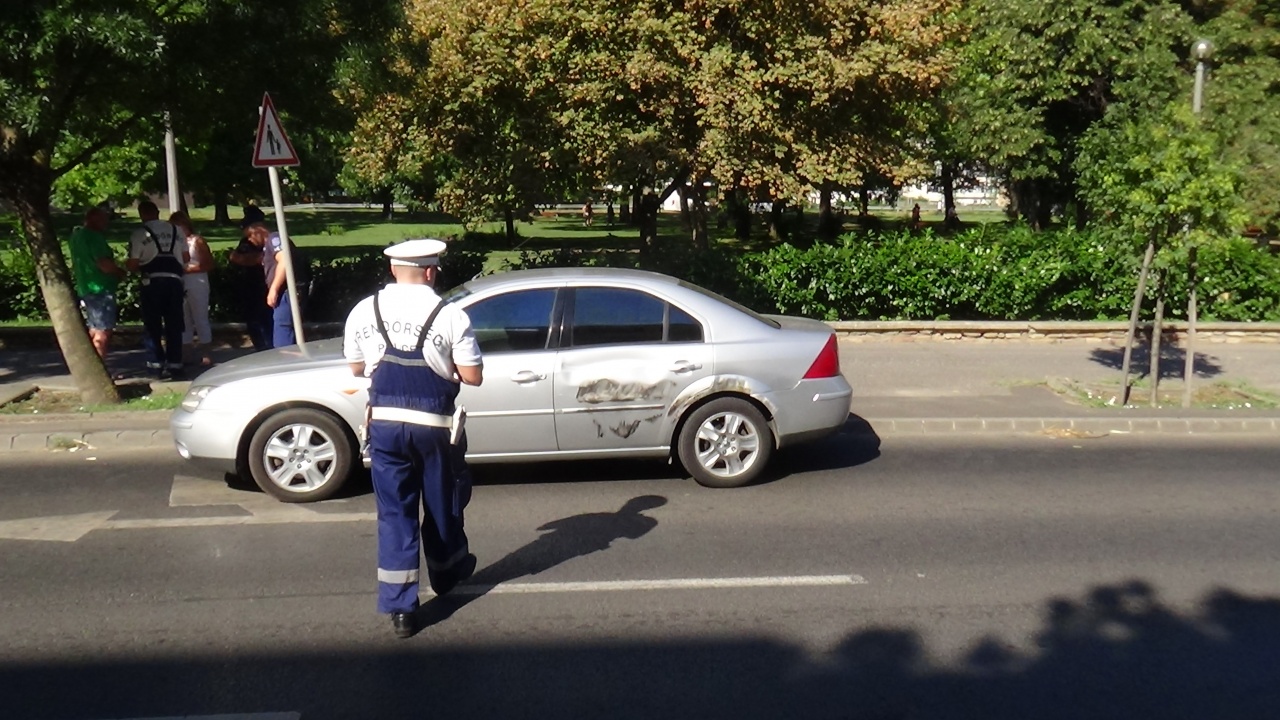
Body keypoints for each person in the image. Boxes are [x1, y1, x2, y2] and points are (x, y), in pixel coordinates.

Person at [343, 238, 484, 638]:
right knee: (442, 502)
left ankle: (402, 609)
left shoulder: (363, 310)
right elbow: (472, 376)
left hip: (385, 427)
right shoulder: (449, 314)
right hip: (434, 427)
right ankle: (446, 571)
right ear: (430, 272)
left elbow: (356, 367)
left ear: (393, 270)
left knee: (394, 514)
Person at [127, 201, 188, 379]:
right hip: (175, 282)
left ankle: (155, 366)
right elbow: (185, 257)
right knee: (174, 325)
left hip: (152, 283)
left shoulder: (139, 234)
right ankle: (176, 365)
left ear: (141, 214)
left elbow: (133, 263)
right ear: (158, 212)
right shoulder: (177, 231)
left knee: (152, 325)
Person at [232, 212, 309, 348]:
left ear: (259, 230)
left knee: (282, 330)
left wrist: (273, 289)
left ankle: (284, 363)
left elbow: (284, 260)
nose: (249, 240)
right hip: (285, 291)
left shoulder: (274, 239)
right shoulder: (268, 245)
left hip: (286, 291)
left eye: (250, 235)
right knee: (282, 327)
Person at [67, 206, 125, 361]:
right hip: (101, 288)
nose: (106, 222)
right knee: (103, 331)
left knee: (93, 329)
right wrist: (119, 272)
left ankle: (90, 364)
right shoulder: (94, 237)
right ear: (93, 219)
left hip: (85, 286)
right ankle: (101, 369)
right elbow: (104, 264)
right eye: (103, 219)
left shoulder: (76, 236)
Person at [170, 211, 214, 366]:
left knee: (200, 317)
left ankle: (206, 352)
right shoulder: (172, 244)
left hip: (197, 282)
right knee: (183, 319)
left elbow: (208, 264)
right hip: (179, 283)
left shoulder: (197, 241)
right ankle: (186, 352)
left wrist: (187, 270)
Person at [227, 206, 274, 351]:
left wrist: (238, 258)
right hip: (251, 285)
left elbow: (255, 259)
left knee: (265, 319)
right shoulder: (247, 242)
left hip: (263, 284)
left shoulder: (269, 241)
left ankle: (268, 346)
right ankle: (261, 346)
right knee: (254, 320)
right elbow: (239, 258)